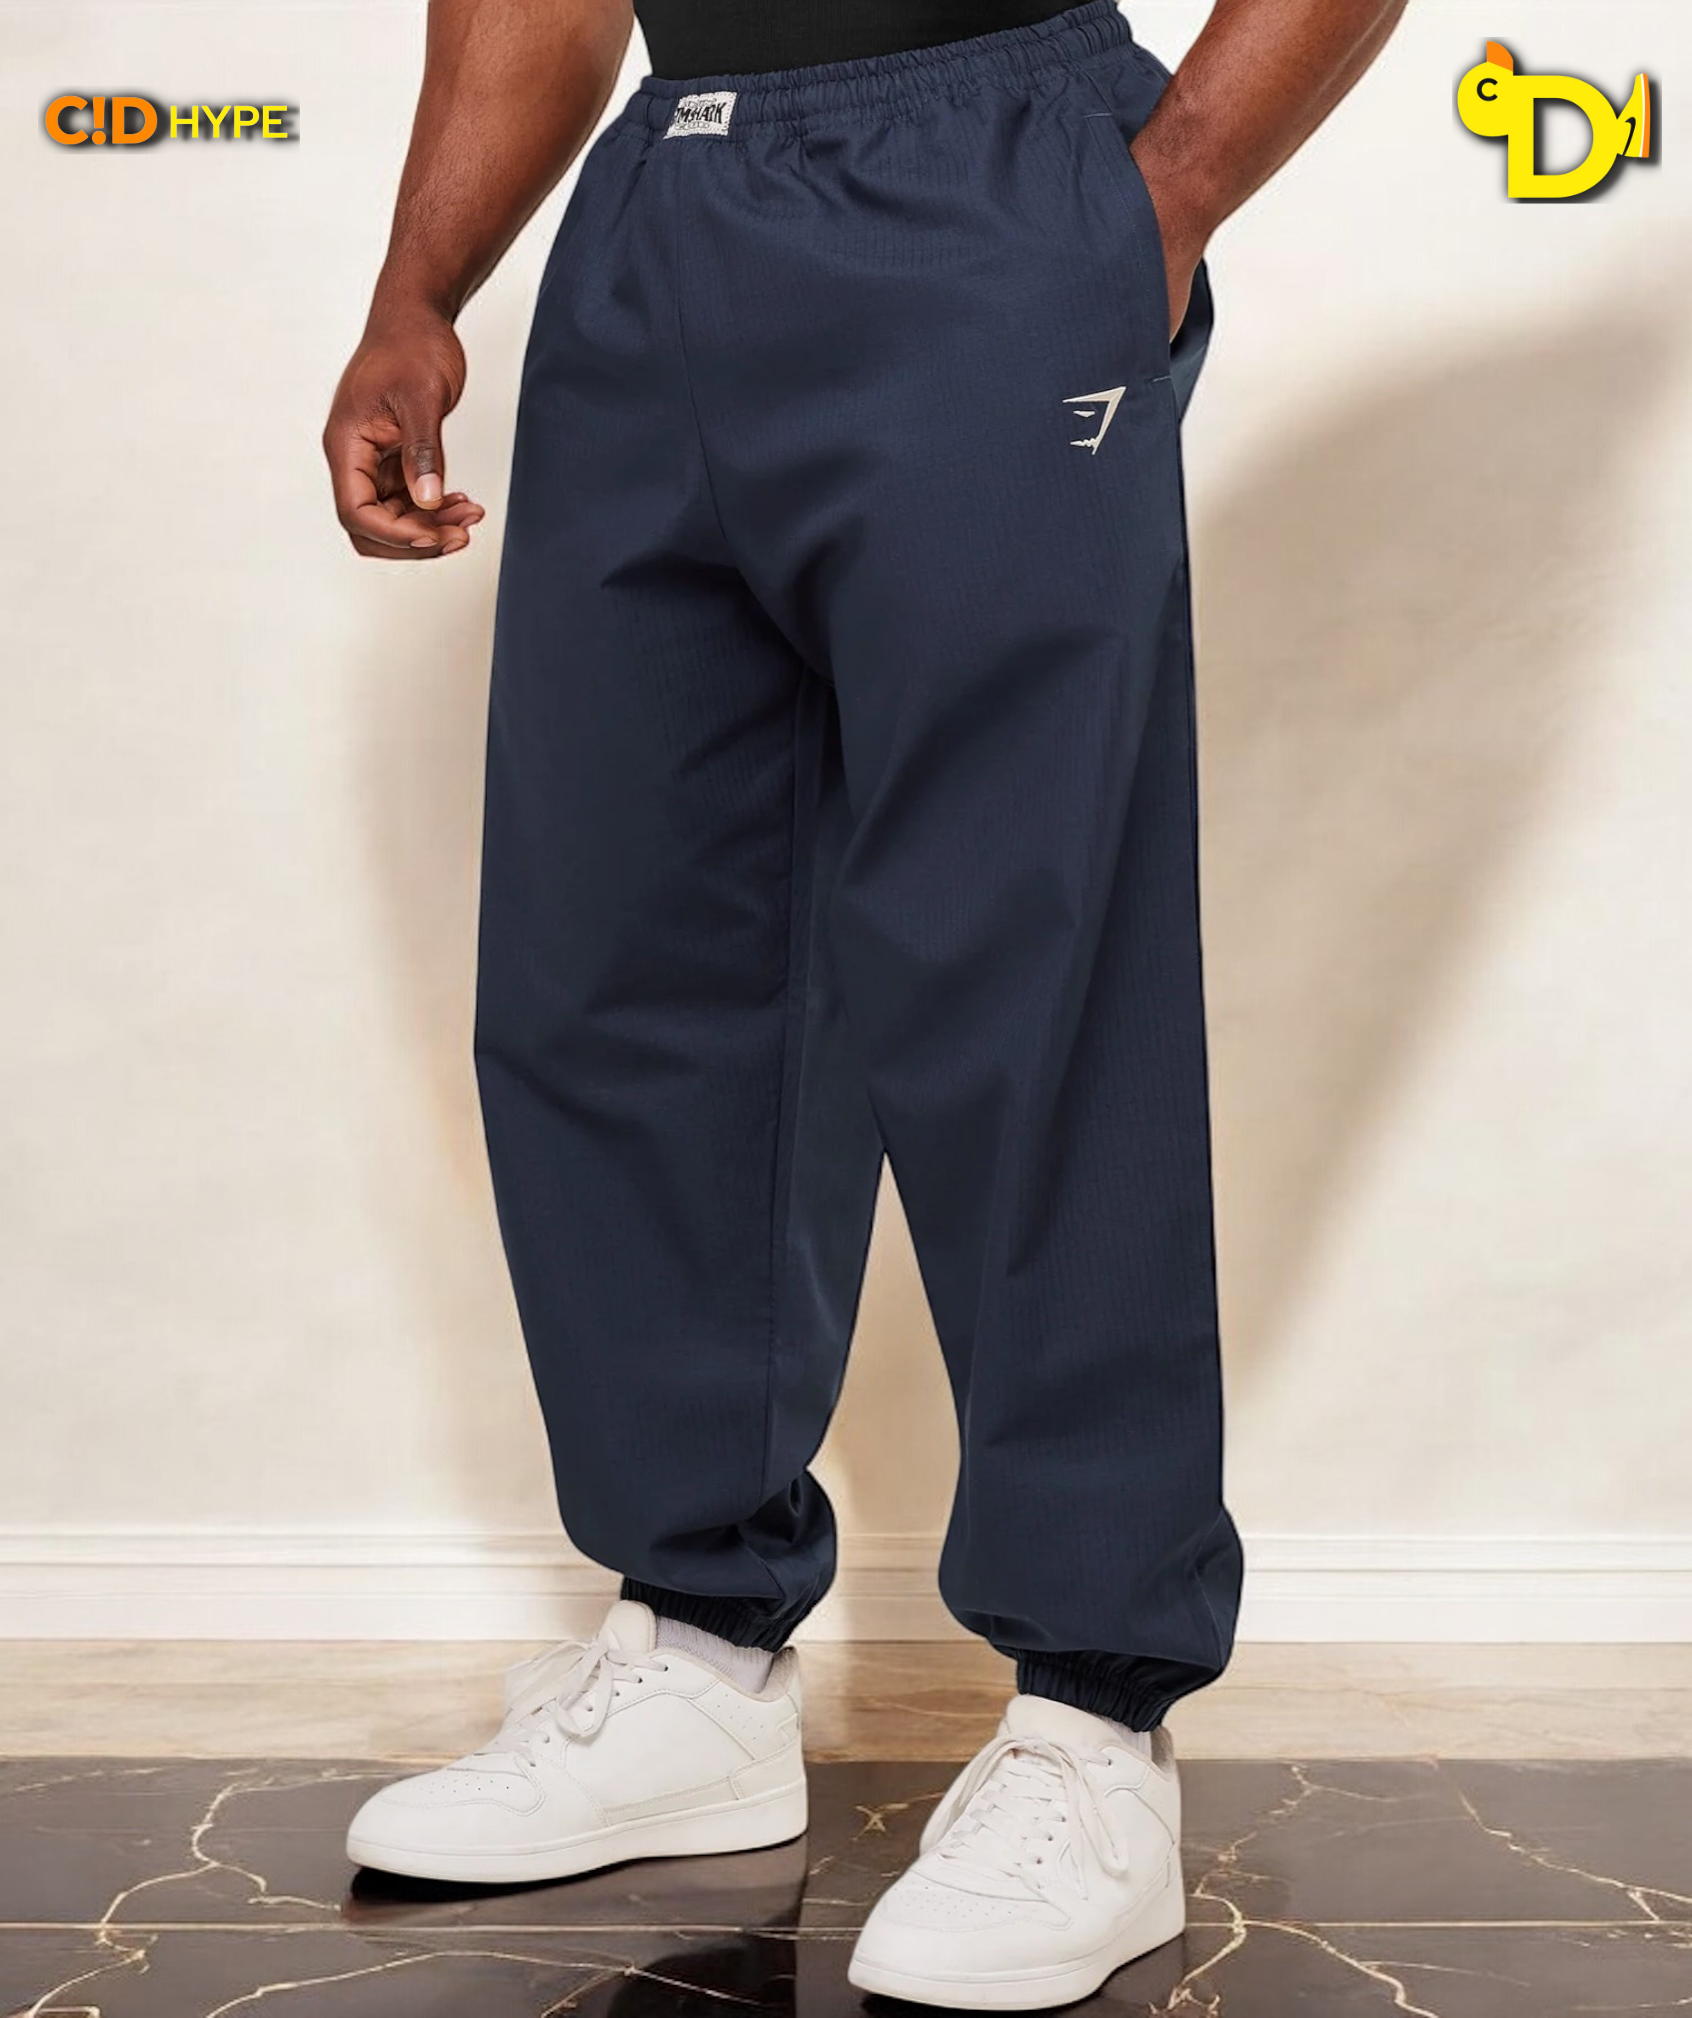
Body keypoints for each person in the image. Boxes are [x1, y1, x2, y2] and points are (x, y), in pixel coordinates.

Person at [323, 0, 1405, 2003]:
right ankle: (697, 1656)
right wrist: (419, 289)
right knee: (621, 962)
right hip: (660, 214)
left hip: (992, 174)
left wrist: (1159, 199)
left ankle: (1093, 1725)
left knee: (1026, 971)